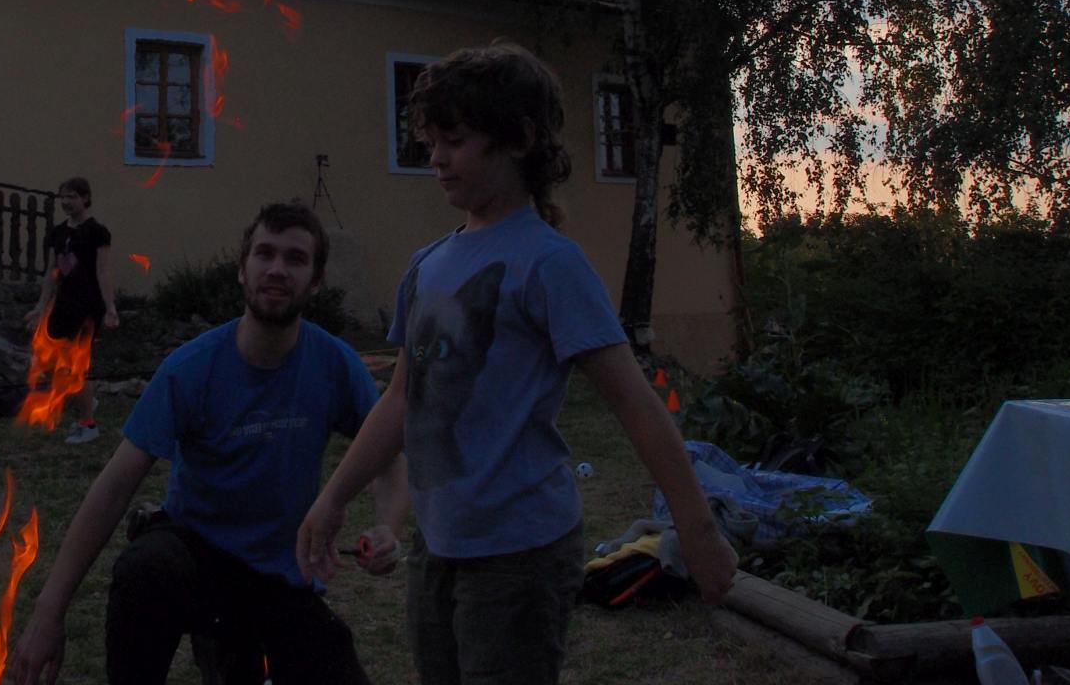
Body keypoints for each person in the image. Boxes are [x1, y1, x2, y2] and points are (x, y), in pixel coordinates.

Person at [295, 43, 738, 685]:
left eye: (455, 141)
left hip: (520, 556)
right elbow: (401, 400)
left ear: (520, 139)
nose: (436, 157)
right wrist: (334, 498)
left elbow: (635, 404)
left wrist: (697, 532)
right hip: (437, 547)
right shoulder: (426, 265)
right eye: (431, 141)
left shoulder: (550, 263)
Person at [10, 201, 410, 685]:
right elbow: (113, 488)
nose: (277, 269)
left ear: (316, 281)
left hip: (282, 575)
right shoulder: (191, 368)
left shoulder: (336, 365)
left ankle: (235, 653)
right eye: (264, 254)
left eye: (295, 258)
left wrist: (387, 527)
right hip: (198, 561)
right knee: (144, 569)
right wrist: (49, 612)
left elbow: (387, 454)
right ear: (242, 270)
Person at [27, 176, 118, 445]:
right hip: (63, 304)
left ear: (85, 198)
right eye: (63, 197)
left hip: (87, 306)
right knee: (48, 363)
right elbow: (51, 272)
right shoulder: (57, 233)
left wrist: (110, 308)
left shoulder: (97, 232)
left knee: (73, 368)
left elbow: (103, 271)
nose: (66, 202)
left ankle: (88, 424)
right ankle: (87, 400)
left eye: (72, 197)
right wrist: (40, 306)